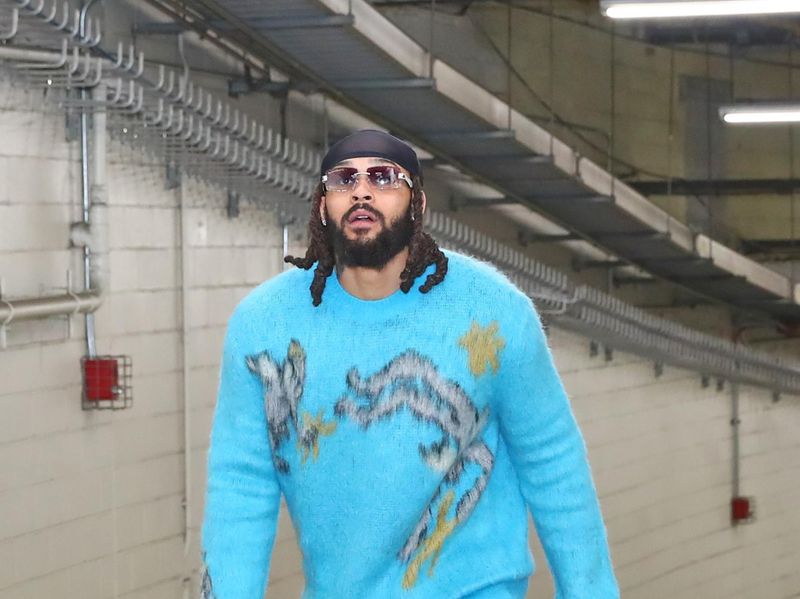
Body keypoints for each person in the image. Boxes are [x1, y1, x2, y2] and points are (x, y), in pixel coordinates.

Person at [200, 129, 619, 599]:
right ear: (322, 206)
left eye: (383, 177)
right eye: (343, 179)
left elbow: (554, 464)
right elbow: (241, 486)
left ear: (418, 205)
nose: (361, 190)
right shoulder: (264, 326)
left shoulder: (494, 311)